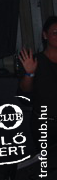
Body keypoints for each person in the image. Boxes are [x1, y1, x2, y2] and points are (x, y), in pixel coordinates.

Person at [18, 15, 57, 157]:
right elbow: (24, 95)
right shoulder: (34, 61)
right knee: (47, 165)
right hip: (45, 125)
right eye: (55, 32)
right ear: (45, 35)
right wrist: (29, 73)